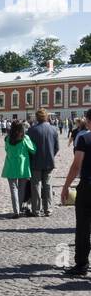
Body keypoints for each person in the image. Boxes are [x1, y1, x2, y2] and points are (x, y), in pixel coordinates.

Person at [61, 107, 91, 277]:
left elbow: (76, 166)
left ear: (87, 120)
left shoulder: (85, 139)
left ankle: (81, 265)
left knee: (83, 228)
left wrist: (66, 186)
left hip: (87, 186)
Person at [1, 120, 36, 216]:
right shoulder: (25, 138)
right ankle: (19, 208)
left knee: (13, 189)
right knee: (21, 189)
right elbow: (33, 150)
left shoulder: (7, 138)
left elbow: (6, 149)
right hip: (22, 166)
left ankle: (16, 211)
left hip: (10, 166)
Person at [29, 110, 59, 217]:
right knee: (48, 185)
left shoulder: (32, 130)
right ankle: (48, 209)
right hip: (49, 162)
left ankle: (36, 210)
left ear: (37, 118)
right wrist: (51, 155)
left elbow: (29, 147)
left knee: (36, 186)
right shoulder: (53, 129)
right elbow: (57, 147)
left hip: (35, 161)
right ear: (46, 117)